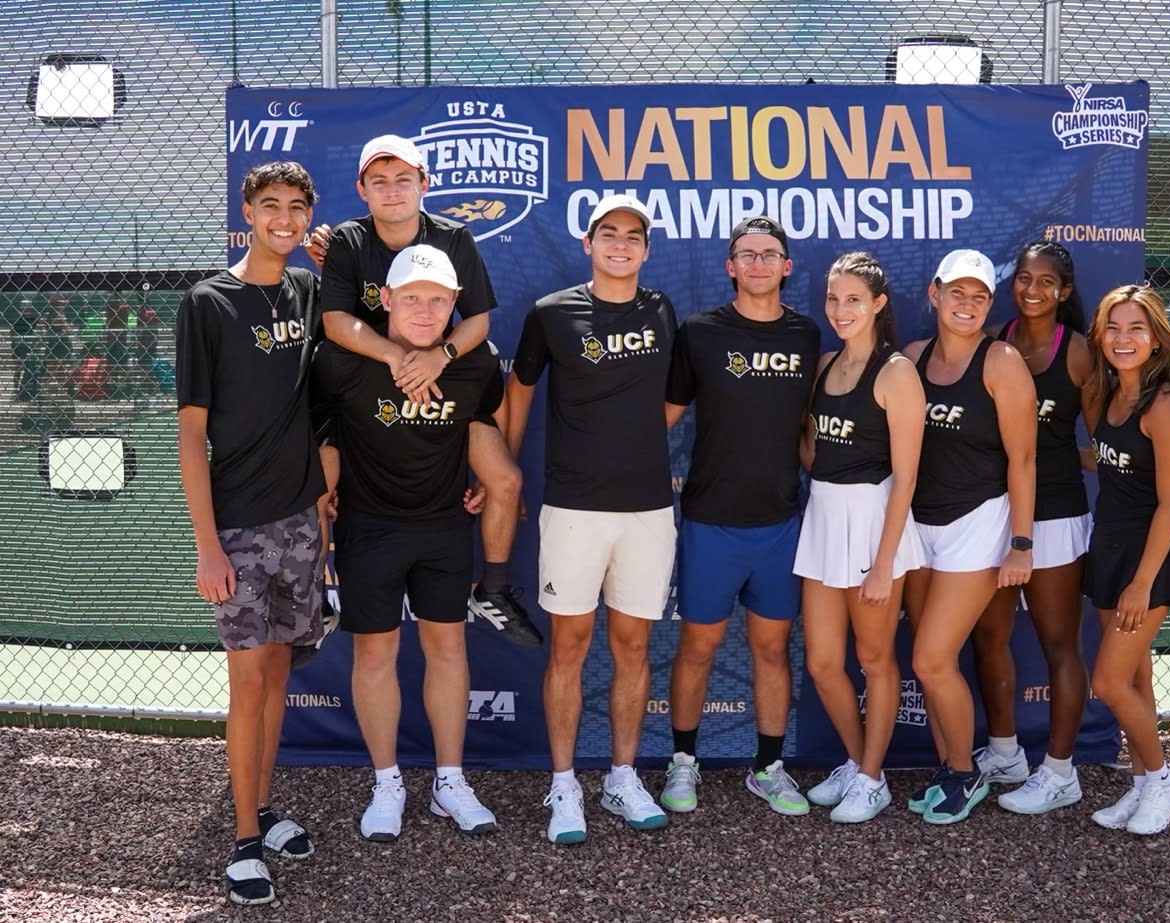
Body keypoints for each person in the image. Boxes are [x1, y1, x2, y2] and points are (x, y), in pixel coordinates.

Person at [314, 134, 539, 647]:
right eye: (379, 181)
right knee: (319, 481)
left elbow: (477, 319)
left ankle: (493, 589)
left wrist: (441, 356)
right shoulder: (349, 240)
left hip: (441, 371)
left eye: (403, 179)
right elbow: (334, 321)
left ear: (424, 184)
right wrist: (396, 357)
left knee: (504, 478)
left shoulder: (452, 237)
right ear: (362, 190)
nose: (392, 190)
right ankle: (316, 598)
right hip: (365, 377)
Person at [313, 244, 504, 842]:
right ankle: (386, 782)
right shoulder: (342, 360)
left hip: (443, 527)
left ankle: (450, 782)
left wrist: (490, 477)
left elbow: (489, 421)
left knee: (448, 649)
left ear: (455, 304)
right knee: (375, 655)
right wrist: (324, 494)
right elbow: (319, 435)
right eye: (413, 297)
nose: (425, 310)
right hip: (369, 529)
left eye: (439, 300)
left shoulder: (475, 363)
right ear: (387, 299)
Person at [504, 194, 678, 844]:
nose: (621, 244)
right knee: (570, 647)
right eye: (610, 233)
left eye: (633, 235)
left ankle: (622, 777)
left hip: (647, 509)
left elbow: (673, 398)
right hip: (573, 507)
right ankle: (564, 783)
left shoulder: (661, 309)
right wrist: (506, 472)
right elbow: (519, 391)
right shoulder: (552, 312)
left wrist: (634, 441)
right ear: (588, 242)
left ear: (646, 249)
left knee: (633, 646)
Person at [175, 161, 327, 906]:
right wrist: (208, 546)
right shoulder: (208, 302)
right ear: (247, 212)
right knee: (246, 686)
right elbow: (189, 435)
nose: (284, 219)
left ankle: (264, 809)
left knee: (277, 676)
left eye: (297, 207)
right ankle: (241, 843)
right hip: (237, 529)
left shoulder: (308, 289)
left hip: (301, 520)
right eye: (271, 205)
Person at [659, 217, 821, 817]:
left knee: (772, 650)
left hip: (780, 522)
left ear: (787, 267)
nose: (758, 263)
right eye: (746, 254)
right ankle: (683, 761)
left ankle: (768, 768)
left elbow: (811, 426)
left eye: (769, 254)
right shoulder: (700, 332)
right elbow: (663, 417)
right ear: (730, 267)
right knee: (697, 646)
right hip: (711, 521)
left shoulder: (806, 334)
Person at [901, 248, 1036, 825]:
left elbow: (1023, 459)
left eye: (979, 296)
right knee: (929, 660)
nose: (967, 303)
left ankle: (966, 771)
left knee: (932, 660)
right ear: (934, 294)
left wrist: (1021, 543)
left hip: (977, 523)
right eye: (957, 292)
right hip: (916, 525)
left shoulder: (1001, 361)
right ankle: (948, 767)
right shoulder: (911, 358)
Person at [794, 252, 926, 824]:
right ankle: (856, 762)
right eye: (833, 298)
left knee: (874, 659)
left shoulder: (896, 372)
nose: (841, 309)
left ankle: (873, 779)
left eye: (853, 299)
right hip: (824, 518)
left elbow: (907, 477)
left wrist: (883, 563)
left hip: (875, 525)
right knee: (824, 662)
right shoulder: (825, 364)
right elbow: (813, 449)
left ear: (878, 304)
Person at [966, 241, 1094, 815]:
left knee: (1059, 645)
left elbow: (1103, 439)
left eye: (1046, 281)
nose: (1032, 289)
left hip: (1057, 515)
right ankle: (1005, 753)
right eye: (1023, 278)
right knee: (988, 636)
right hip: (995, 513)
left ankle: (1061, 772)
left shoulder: (1079, 352)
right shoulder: (994, 340)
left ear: (1064, 292)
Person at [1083, 284, 1170, 836]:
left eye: (1135, 328)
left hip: (1148, 560)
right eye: (1113, 327)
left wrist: (1142, 583)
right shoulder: (1111, 394)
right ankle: (1144, 782)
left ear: (1156, 339)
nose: (1122, 338)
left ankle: (1165, 780)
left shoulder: (1165, 404)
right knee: (1134, 677)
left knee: (1107, 682)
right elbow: (1111, 461)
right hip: (1109, 548)